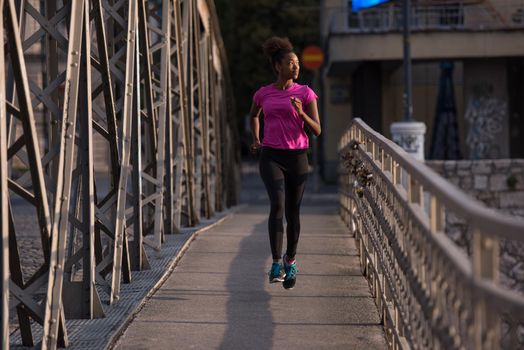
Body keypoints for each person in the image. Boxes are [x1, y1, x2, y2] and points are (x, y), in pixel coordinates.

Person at [249, 36, 321, 289]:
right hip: (271, 155)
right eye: (291, 63)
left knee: (293, 211)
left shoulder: (305, 93)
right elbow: (254, 115)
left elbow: (317, 130)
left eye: (298, 63)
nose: (296, 66)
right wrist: (257, 138)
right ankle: (277, 262)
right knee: (277, 205)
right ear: (278, 65)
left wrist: (301, 113)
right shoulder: (263, 93)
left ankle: (291, 261)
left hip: (298, 157)